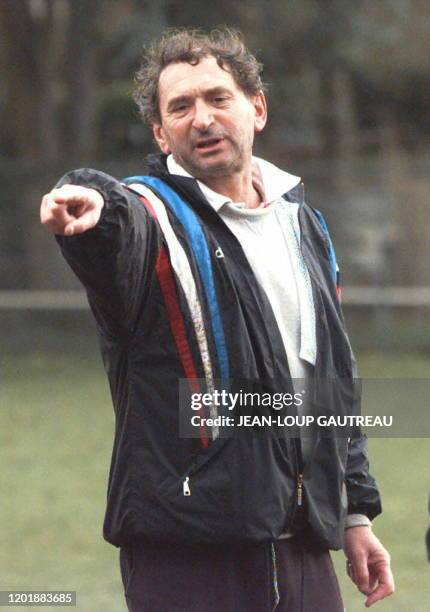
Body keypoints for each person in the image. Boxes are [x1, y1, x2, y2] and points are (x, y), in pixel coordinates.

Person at [40, 28, 394, 612]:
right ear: (160, 132)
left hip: (305, 546)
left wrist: (354, 512)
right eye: (180, 107)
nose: (201, 118)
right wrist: (94, 205)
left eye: (217, 98)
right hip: (187, 554)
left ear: (256, 108)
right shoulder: (152, 216)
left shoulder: (305, 224)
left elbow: (330, 380)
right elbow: (120, 223)